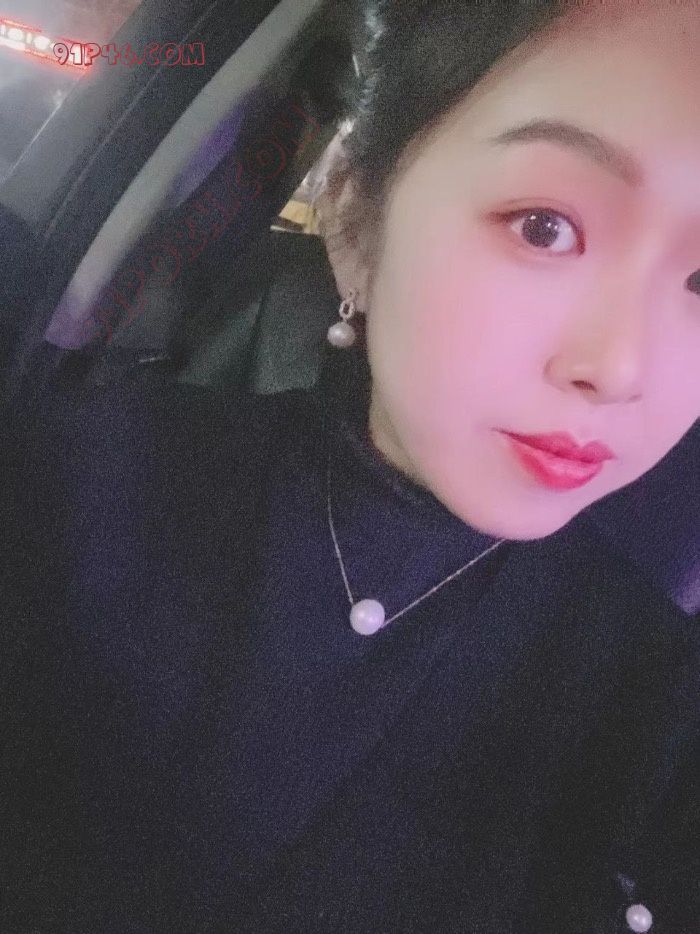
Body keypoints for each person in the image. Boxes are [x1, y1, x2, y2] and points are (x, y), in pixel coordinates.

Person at [1, 0, 698, 931]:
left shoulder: (655, 695)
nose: (622, 368)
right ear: (355, 219)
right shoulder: (72, 481)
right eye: (544, 226)